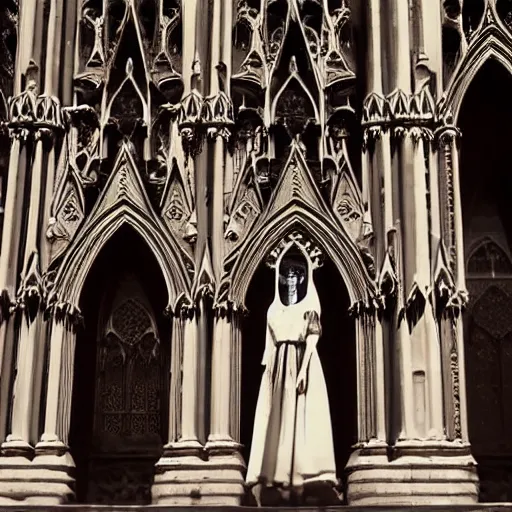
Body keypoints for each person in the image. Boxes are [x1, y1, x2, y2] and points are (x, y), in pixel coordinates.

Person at [246, 244, 338, 505]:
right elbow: (268, 346)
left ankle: (303, 476)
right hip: (277, 368)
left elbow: (311, 340)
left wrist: (303, 370)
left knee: (301, 418)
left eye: (296, 275)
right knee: (278, 421)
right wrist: (270, 374)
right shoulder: (274, 310)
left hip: (300, 363)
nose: (291, 280)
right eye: (286, 275)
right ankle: (278, 475)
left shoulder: (309, 306)